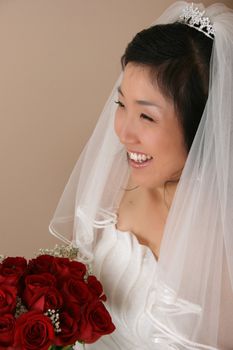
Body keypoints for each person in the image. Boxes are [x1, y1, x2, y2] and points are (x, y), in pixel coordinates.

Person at [49, 2, 233, 349]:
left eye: (146, 117)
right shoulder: (115, 178)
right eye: (121, 105)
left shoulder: (222, 244)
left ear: (202, 125)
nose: (123, 133)